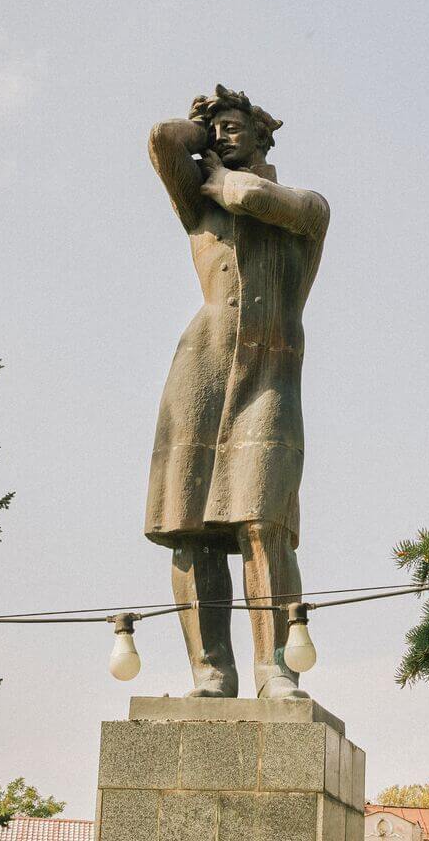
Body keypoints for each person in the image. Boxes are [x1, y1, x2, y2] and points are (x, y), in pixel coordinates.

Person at [144, 85, 329, 699]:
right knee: (190, 525)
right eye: (216, 127)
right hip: (201, 368)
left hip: (270, 374)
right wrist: (199, 133)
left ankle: (275, 666)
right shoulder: (198, 209)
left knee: (261, 519)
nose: (223, 134)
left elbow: (250, 196)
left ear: (264, 135)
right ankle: (210, 668)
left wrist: (220, 175)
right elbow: (161, 141)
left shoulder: (304, 206)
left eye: (235, 125)